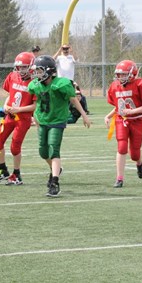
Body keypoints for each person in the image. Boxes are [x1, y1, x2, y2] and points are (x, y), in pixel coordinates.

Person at [28, 55, 91, 197]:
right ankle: (56, 169)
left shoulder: (61, 84)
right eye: (36, 71)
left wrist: (84, 115)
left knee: (53, 149)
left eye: (40, 71)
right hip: (42, 120)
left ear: (49, 71)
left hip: (57, 121)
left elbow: (73, 99)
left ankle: (55, 182)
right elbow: (36, 103)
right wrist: (34, 118)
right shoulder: (35, 85)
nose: (37, 74)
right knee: (43, 152)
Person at [0, 52, 37, 186]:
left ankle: (16, 174)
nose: (21, 70)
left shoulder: (35, 82)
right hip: (10, 115)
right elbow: (11, 95)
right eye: (19, 67)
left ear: (31, 66)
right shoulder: (12, 76)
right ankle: (3, 169)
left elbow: (35, 105)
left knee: (15, 147)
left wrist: (19, 109)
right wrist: (5, 105)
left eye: (24, 67)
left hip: (23, 118)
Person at [104, 60, 142, 188]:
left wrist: (133, 111)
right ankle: (119, 178)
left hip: (137, 120)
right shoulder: (115, 86)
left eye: (123, 74)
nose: (120, 77)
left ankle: (139, 164)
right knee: (121, 147)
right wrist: (109, 116)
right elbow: (119, 106)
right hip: (122, 119)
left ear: (132, 74)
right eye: (119, 74)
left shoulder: (140, 85)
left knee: (135, 154)